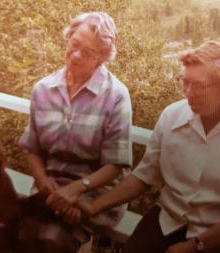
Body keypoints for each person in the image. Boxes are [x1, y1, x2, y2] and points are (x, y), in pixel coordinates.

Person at [78, 40, 220, 253]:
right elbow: (143, 177)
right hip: (170, 220)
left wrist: (194, 246)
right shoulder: (172, 115)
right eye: (185, 82)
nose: (188, 92)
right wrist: (93, 206)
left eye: (198, 85)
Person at [18, 11, 132, 251]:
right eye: (75, 44)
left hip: (92, 197)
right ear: (68, 38)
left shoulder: (116, 96)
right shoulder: (43, 89)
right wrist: (43, 182)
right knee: (8, 233)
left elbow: (115, 165)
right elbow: (32, 148)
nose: (77, 54)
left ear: (102, 58)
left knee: (51, 242)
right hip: (49, 191)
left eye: (88, 52)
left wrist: (76, 192)